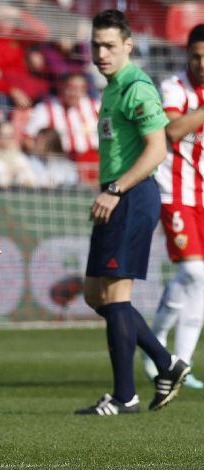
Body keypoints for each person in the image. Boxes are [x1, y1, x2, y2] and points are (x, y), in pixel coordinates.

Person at [76, 10, 190, 416]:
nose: (101, 53)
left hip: (132, 195)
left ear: (128, 45)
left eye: (109, 46)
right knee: (95, 294)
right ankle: (167, 362)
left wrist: (115, 189)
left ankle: (125, 396)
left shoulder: (137, 87)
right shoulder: (111, 87)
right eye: (96, 45)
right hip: (116, 195)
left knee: (116, 295)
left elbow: (157, 149)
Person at [144, 24, 204, 390]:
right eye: (196, 56)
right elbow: (173, 131)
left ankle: (180, 363)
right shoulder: (173, 87)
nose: (201, 63)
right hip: (174, 192)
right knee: (194, 274)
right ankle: (156, 345)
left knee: (200, 282)